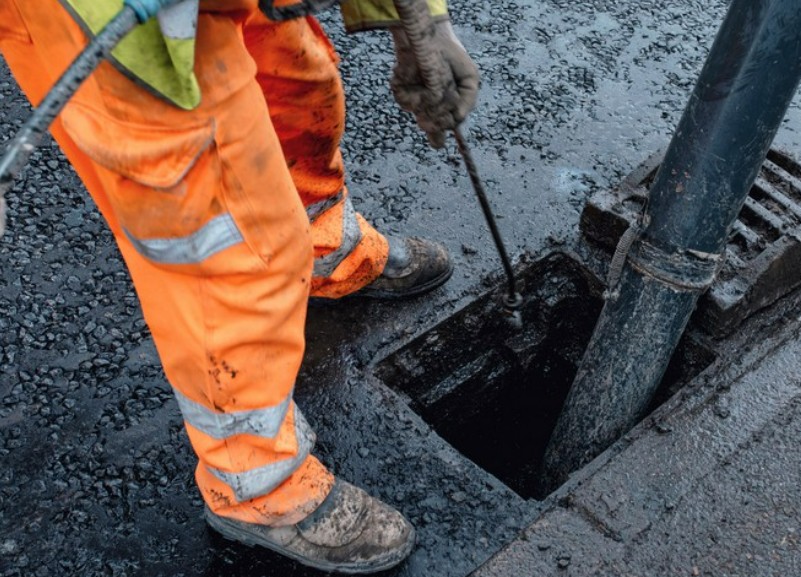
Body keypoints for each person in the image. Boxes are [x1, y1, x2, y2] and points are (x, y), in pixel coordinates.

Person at [0, 0, 479, 573]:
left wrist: (421, 19)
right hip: (112, 22)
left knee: (296, 85)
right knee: (226, 239)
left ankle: (322, 249)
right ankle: (257, 486)